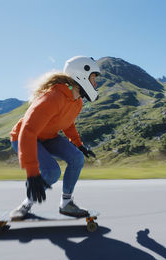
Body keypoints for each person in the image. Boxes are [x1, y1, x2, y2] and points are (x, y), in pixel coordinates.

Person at [9, 56, 100, 220]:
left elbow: (68, 124)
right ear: (81, 75)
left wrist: (78, 145)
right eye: (93, 78)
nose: (95, 84)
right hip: (24, 137)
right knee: (51, 172)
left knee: (77, 158)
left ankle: (66, 204)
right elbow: (28, 131)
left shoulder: (77, 102)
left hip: (48, 137)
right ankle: (25, 205)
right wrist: (32, 172)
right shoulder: (52, 97)